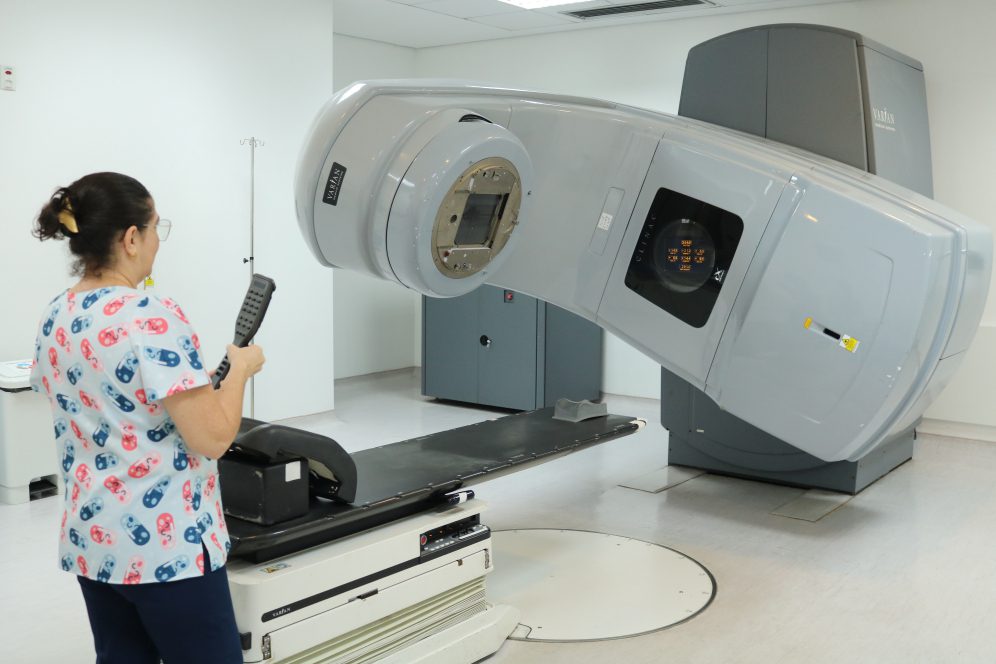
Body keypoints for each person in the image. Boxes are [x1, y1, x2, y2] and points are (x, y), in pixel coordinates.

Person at [29, 172, 265, 664]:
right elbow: (213, 439)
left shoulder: (56, 315)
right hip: (167, 549)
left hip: (95, 541)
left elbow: (106, 399)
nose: (159, 240)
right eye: (157, 227)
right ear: (132, 238)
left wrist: (192, 386)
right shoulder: (150, 317)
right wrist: (239, 370)